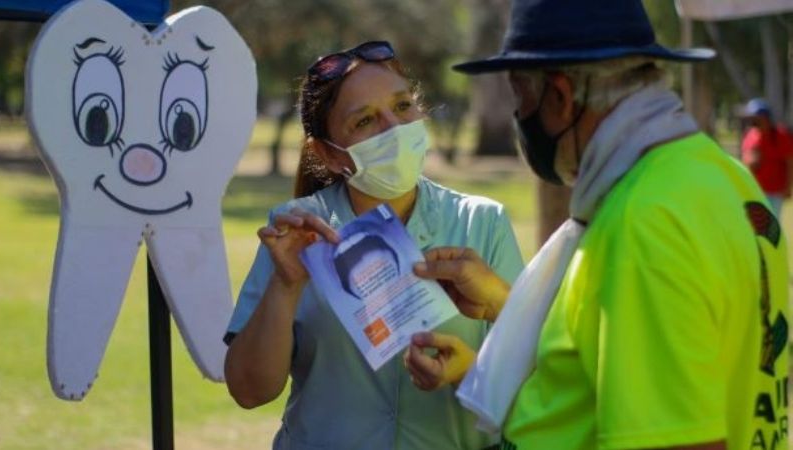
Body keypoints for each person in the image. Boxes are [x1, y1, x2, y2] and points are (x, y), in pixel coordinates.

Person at [404, 0, 790, 449]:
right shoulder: (726, 178)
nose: (519, 119)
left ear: (561, 96)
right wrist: (499, 316)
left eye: (522, 96)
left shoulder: (642, 220)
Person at [223, 40, 524, 450]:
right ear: (329, 155)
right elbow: (249, 391)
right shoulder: (295, 232)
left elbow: (535, 372)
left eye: (402, 107)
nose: (394, 128)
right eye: (364, 121)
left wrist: (469, 368)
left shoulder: (482, 222)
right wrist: (286, 285)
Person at [740, 98, 793, 217]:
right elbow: (745, 161)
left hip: (775, 190)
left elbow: (789, 162)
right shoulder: (750, 135)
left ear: (766, 118)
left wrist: (788, 187)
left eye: (756, 118)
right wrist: (750, 161)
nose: (753, 122)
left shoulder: (781, 135)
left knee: (771, 226)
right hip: (755, 190)